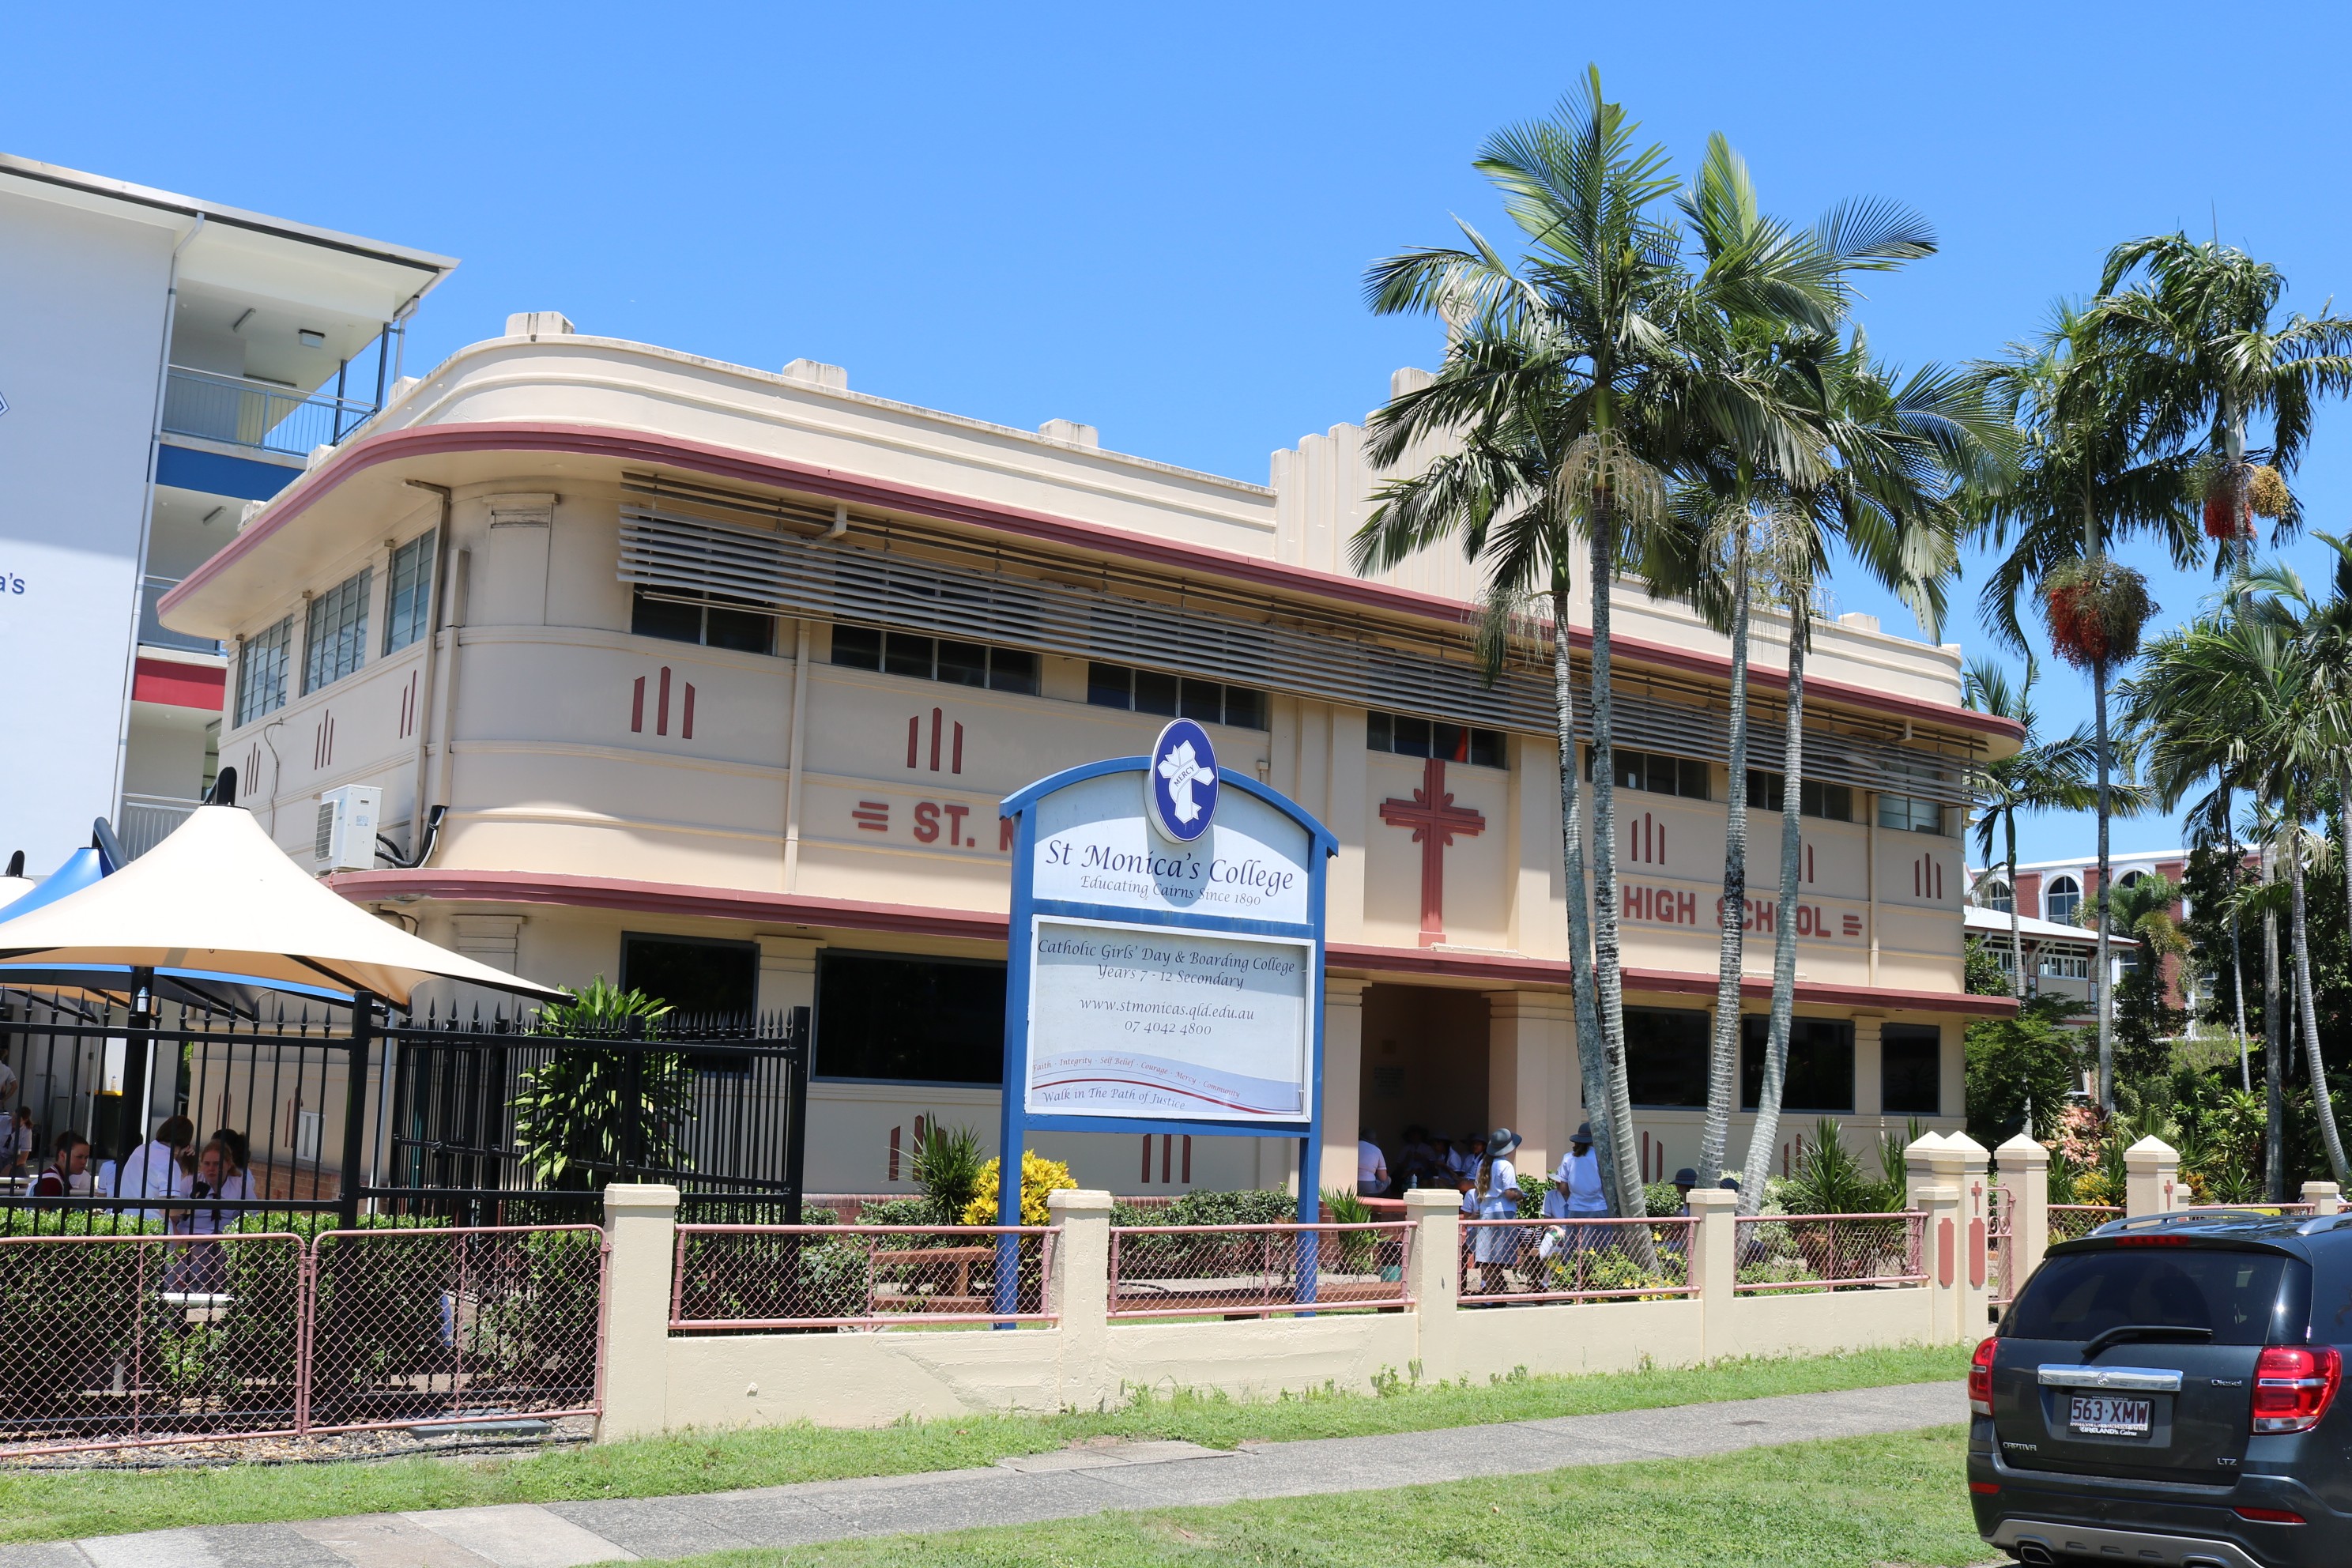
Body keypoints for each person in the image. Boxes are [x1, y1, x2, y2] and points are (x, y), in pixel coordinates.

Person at [1468, 1127, 1524, 1295]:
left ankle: (1488, 1290)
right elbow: (1509, 1193)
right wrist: (1520, 1194)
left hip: (1486, 1212)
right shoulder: (1505, 1165)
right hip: (1503, 1213)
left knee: (1486, 1258)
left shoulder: (1482, 1164)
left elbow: (1478, 1190)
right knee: (1499, 1259)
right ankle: (1494, 1293)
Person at [113, 1115, 194, 1225]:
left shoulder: (140, 1150)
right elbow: (167, 1209)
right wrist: (190, 1208)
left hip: (127, 1222)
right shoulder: (169, 1163)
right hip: (153, 1228)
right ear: (186, 1144)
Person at [30, 1130, 90, 1197]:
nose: (84, 1162)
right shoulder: (51, 1182)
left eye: (86, 1157)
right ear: (62, 1155)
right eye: (79, 1157)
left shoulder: (58, 1179)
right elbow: (43, 1207)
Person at [1355, 1130, 1389, 1198]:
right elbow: (1383, 1177)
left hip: (1352, 1185)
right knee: (1388, 1180)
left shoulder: (1352, 1146)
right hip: (1369, 1187)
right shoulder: (1377, 1150)